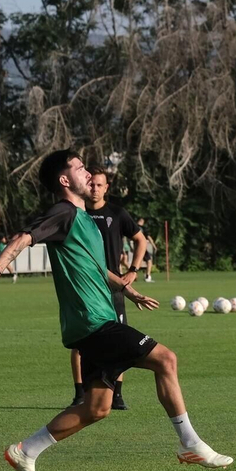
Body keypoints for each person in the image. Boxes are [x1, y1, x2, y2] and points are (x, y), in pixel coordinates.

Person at [0, 149, 231, 471]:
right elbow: (23, 237)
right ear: (64, 180)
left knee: (97, 408)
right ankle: (189, 444)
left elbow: (95, 268)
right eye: (78, 168)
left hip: (95, 321)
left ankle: (25, 451)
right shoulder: (62, 213)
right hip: (93, 322)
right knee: (166, 359)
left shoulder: (84, 219)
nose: (87, 172)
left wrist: (127, 290)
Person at [70, 169, 148, 412]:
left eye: (99, 185)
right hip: (84, 288)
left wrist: (134, 270)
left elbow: (140, 240)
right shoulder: (76, 214)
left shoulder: (117, 213)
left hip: (114, 287)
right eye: (91, 184)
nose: (94, 188)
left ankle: (117, 394)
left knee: (121, 338)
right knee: (79, 342)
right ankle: (80, 393)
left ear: (106, 188)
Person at [133, 216, 155, 283]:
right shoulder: (143, 228)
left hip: (136, 246)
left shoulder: (134, 227)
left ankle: (134, 276)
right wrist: (154, 245)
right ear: (142, 221)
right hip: (142, 246)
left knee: (137, 261)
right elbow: (148, 237)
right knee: (149, 261)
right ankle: (147, 276)